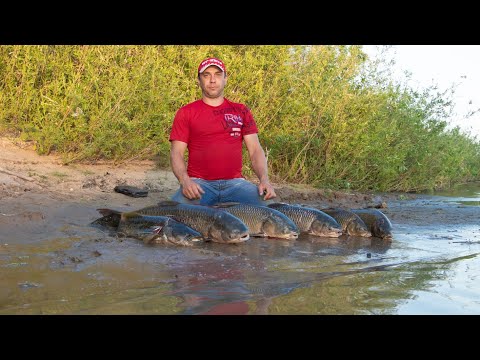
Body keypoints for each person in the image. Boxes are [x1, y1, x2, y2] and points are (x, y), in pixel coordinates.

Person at [169, 57, 277, 206]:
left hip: (236, 185)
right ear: (199, 80)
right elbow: (177, 153)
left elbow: (255, 150)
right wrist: (185, 181)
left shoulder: (241, 111)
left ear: (225, 79)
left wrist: (264, 180)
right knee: (175, 212)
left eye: (218, 74)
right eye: (206, 75)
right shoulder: (186, 112)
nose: (212, 80)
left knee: (271, 207)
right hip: (200, 185)